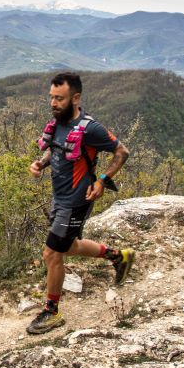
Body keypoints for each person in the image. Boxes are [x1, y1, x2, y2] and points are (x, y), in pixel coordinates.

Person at [26, 72, 134, 335]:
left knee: (52, 253)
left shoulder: (90, 128)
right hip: (59, 196)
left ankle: (52, 311)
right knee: (69, 246)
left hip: (77, 199)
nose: (53, 103)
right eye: (51, 97)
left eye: (59, 98)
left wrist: (102, 180)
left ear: (75, 98)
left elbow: (122, 151)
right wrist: (42, 163)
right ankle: (119, 256)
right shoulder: (59, 123)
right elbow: (56, 148)